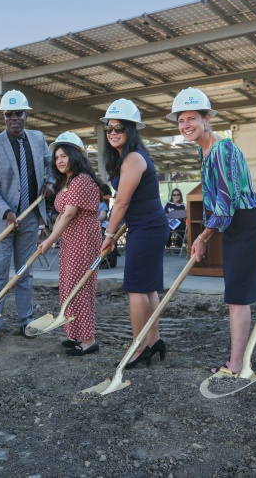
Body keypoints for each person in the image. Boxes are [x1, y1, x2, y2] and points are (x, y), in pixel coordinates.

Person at [170, 87, 256, 377]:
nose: (185, 125)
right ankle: (237, 360)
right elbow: (218, 207)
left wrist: (201, 237)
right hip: (235, 224)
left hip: (246, 224)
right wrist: (203, 237)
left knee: (237, 295)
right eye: (180, 121)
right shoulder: (205, 151)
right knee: (235, 295)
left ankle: (236, 365)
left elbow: (225, 206)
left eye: (191, 119)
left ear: (206, 118)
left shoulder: (222, 149)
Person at [0, 90, 54, 351]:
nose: (14, 118)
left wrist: (49, 183)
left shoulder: (38, 138)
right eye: (9, 114)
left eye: (19, 113)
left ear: (26, 115)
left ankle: (25, 321)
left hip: (30, 219)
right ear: (3, 116)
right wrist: (6, 212)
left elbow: (51, 165)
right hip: (2, 222)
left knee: (25, 273)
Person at [100, 98, 168, 369]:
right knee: (148, 287)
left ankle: (139, 347)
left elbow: (122, 202)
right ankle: (154, 341)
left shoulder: (133, 158)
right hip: (147, 226)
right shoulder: (128, 157)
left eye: (120, 127)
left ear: (131, 130)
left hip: (148, 229)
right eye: (109, 128)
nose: (113, 132)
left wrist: (108, 234)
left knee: (136, 289)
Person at [38, 132, 103, 356]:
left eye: (64, 155)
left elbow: (68, 215)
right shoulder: (68, 181)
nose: (60, 161)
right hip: (70, 238)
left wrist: (48, 240)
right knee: (68, 285)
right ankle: (73, 333)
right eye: (57, 157)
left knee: (80, 286)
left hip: (83, 237)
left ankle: (88, 340)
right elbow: (62, 216)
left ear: (76, 156)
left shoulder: (82, 180)